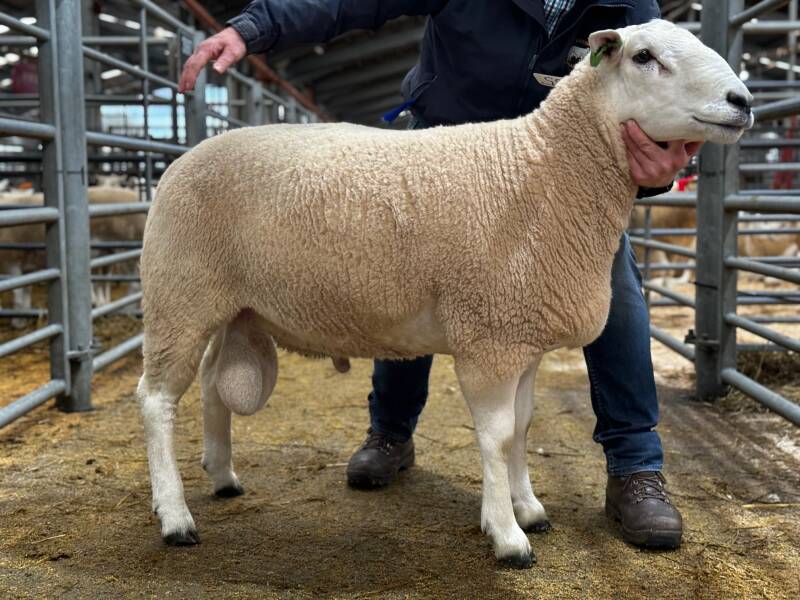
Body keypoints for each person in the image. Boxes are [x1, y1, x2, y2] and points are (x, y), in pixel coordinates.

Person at [179, 0, 700, 550]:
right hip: (446, 154)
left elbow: (658, 88)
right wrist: (254, 27)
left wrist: (662, 165)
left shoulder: (625, 4)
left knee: (611, 286)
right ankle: (391, 433)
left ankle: (635, 466)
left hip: (562, 168)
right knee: (401, 289)